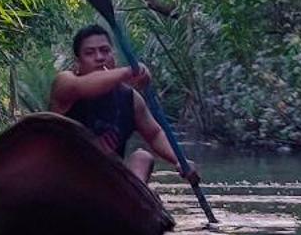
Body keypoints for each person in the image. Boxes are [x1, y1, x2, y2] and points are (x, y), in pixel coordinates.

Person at [49, 26, 200, 186]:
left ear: (113, 57)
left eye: (105, 51)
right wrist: (131, 72)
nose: (99, 57)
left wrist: (180, 160)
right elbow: (83, 86)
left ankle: (136, 199)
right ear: (78, 62)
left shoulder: (130, 98)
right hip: (65, 177)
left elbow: (154, 134)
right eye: (90, 53)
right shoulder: (65, 82)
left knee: (142, 158)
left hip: (108, 182)